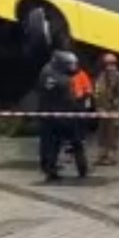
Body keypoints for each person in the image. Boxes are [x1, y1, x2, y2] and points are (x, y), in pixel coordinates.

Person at [36, 50, 87, 181]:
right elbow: (70, 100)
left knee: (50, 144)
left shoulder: (45, 70)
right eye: (70, 65)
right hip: (63, 116)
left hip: (46, 114)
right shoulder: (64, 81)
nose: (73, 68)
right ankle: (82, 169)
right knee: (76, 141)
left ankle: (49, 168)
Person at [92, 53, 119, 166]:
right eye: (107, 63)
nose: (110, 66)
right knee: (102, 133)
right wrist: (98, 106)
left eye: (112, 63)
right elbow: (97, 92)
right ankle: (102, 155)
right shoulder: (101, 76)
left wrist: (116, 102)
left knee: (113, 134)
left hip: (115, 111)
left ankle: (112, 156)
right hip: (103, 110)